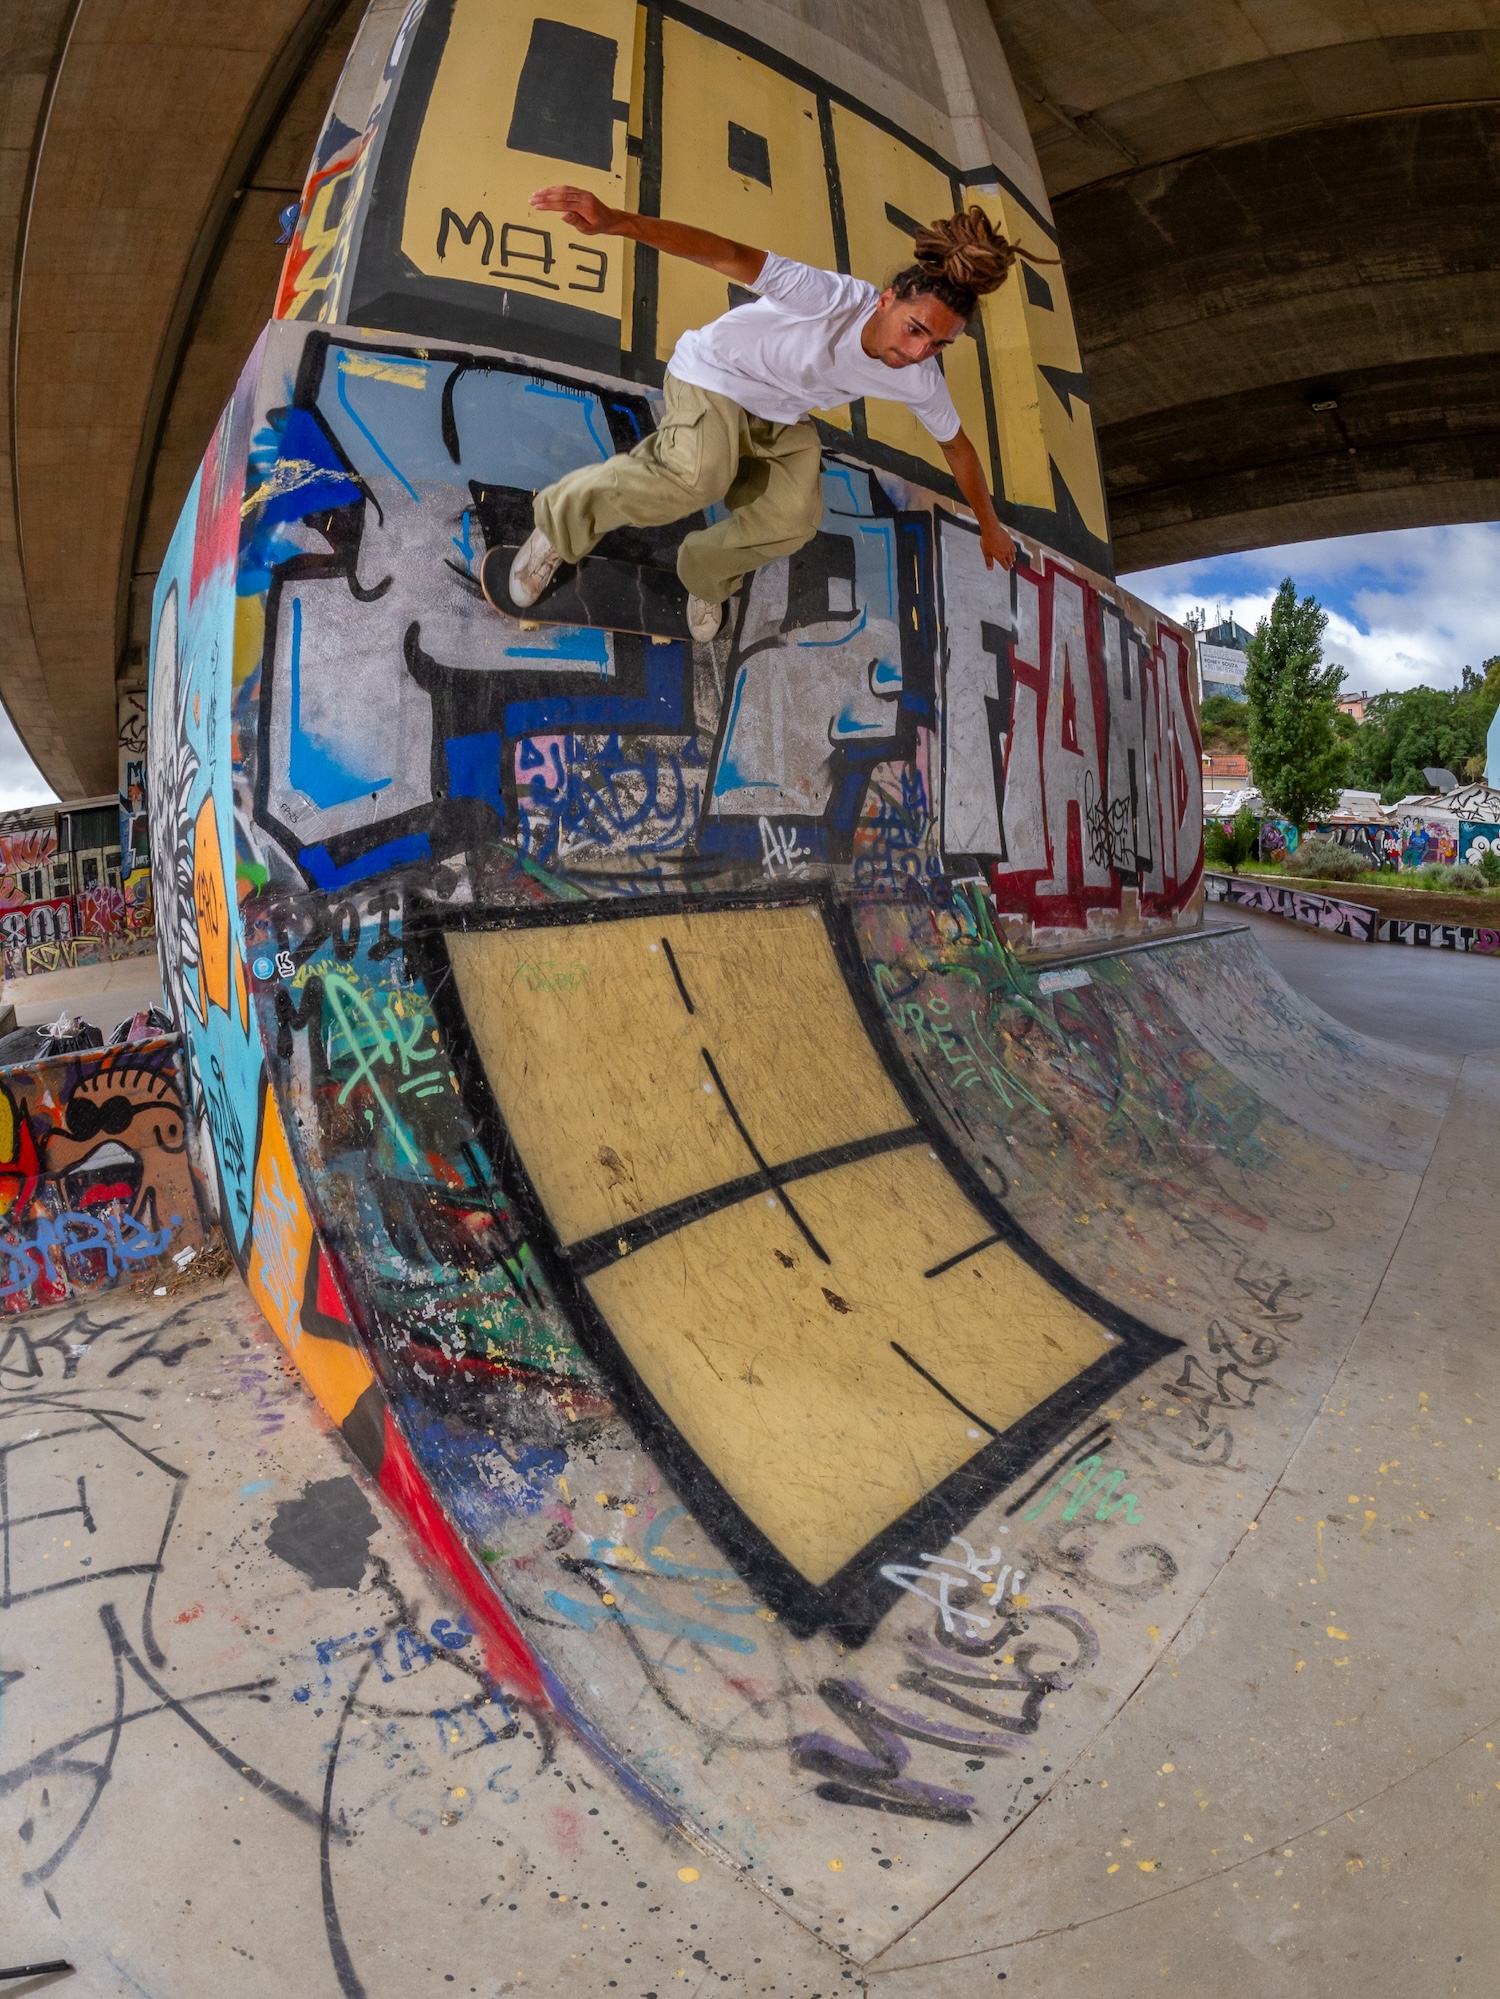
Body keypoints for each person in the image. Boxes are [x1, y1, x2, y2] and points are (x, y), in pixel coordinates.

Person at [508, 190, 1034, 642]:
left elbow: (956, 447)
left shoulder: (919, 378)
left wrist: (990, 528)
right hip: (713, 375)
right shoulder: (828, 298)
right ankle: (559, 525)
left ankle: (703, 577)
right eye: (915, 329)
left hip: (778, 415)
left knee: (795, 519)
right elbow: (725, 254)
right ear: (887, 300)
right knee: (698, 475)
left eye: (939, 345)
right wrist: (620, 221)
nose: (919, 352)